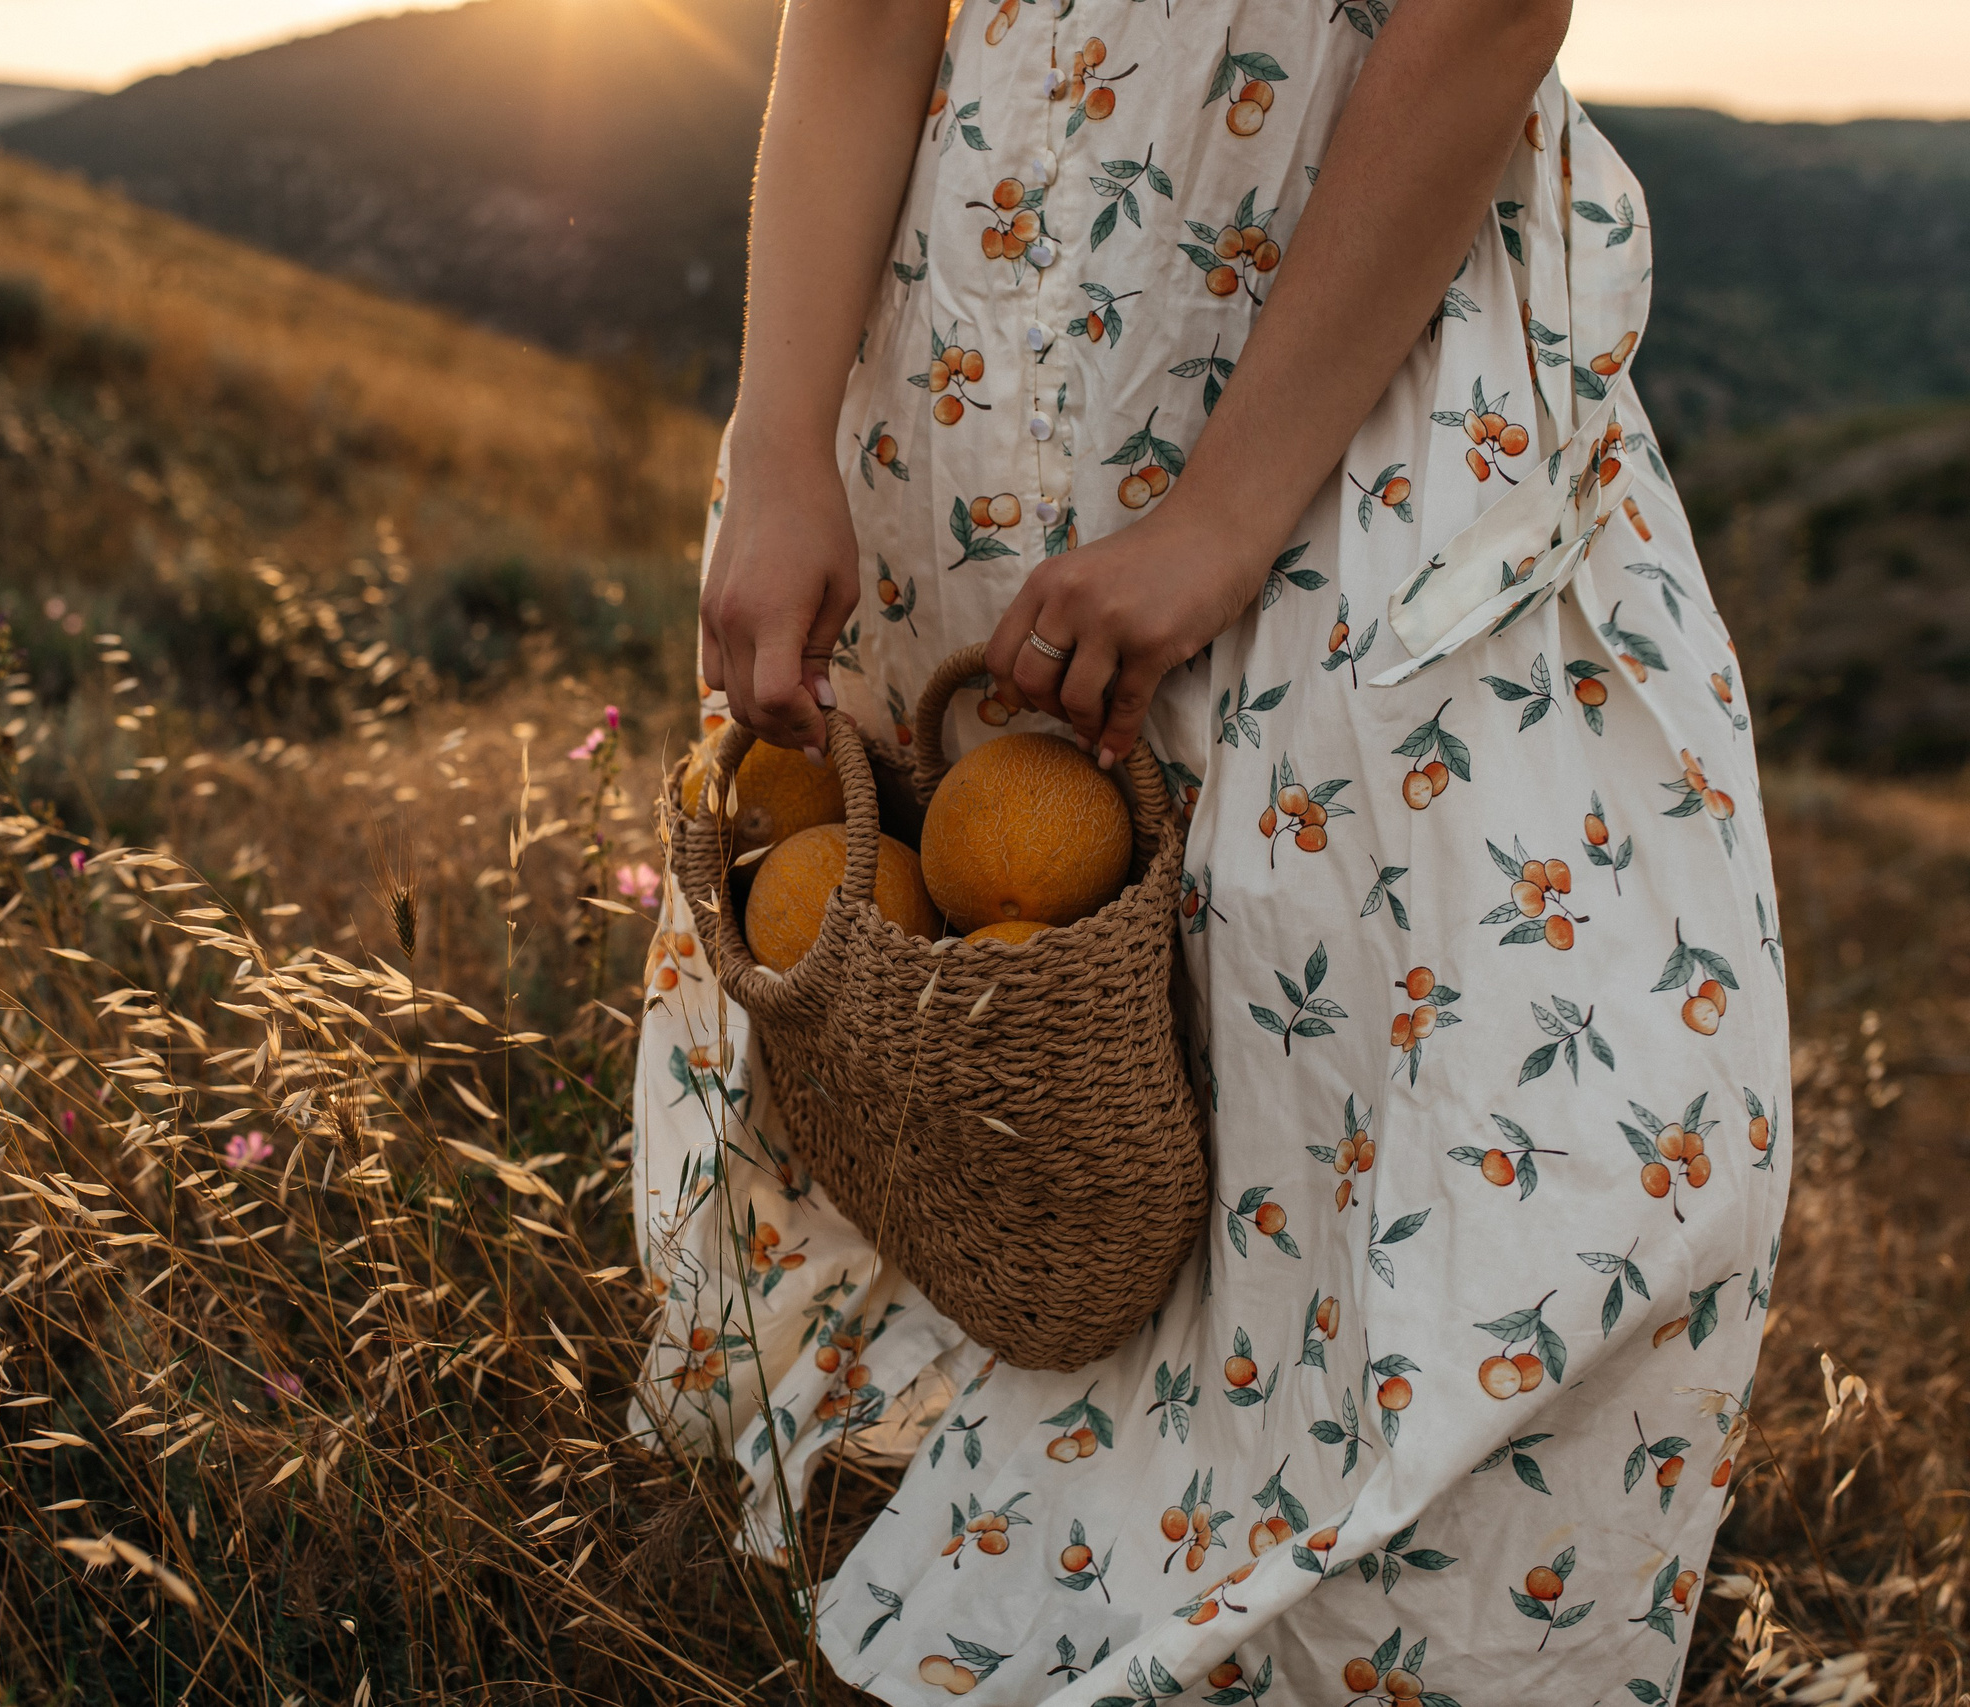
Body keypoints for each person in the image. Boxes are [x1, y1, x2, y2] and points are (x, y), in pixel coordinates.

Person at [631, 0, 1792, 1701]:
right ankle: (1014, 1592)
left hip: (1338, 317)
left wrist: (1224, 517)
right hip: (989, 330)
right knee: (1017, 1042)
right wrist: (778, 438)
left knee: (1563, 1112)